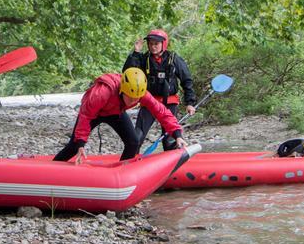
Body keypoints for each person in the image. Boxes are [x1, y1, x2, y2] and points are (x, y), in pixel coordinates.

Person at [53, 68, 187, 163]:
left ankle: (123, 171)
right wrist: (81, 144)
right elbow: (86, 115)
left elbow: (162, 112)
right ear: (122, 89)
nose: (134, 101)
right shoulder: (102, 93)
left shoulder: (141, 93)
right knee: (74, 146)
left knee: (133, 142)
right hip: (94, 113)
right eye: (130, 98)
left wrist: (177, 135)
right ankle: (54, 167)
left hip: (115, 112)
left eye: (137, 99)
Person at [124, 29, 197, 151]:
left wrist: (190, 103)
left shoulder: (174, 59)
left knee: (169, 140)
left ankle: (174, 160)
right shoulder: (143, 59)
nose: (153, 47)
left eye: (156, 44)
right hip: (149, 102)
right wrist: (136, 52)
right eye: (151, 44)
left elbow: (187, 80)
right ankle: (130, 160)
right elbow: (128, 73)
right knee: (137, 136)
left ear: (164, 44)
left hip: (169, 103)